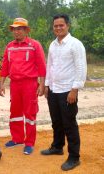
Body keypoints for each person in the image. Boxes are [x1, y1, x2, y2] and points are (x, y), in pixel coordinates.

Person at [40, 14, 87, 171]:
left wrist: (75, 89)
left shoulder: (75, 45)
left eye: (61, 25)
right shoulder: (53, 45)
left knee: (69, 124)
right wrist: (46, 85)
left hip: (68, 90)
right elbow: (50, 66)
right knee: (56, 122)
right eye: (55, 26)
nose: (58, 28)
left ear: (68, 26)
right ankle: (57, 146)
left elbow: (81, 68)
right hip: (53, 89)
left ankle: (74, 157)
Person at [0, 18, 46, 155]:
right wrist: (1, 83)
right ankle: (17, 138)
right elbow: (5, 66)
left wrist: (42, 84)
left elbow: (42, 66)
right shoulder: (10, 46)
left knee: (30, 113)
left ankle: (29, 142)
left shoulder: (34, 45)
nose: (17, 31)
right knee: (15, 113)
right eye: (14, 29)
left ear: (26, 30)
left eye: (20, 28)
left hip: (29, 84)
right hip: (14, 84)